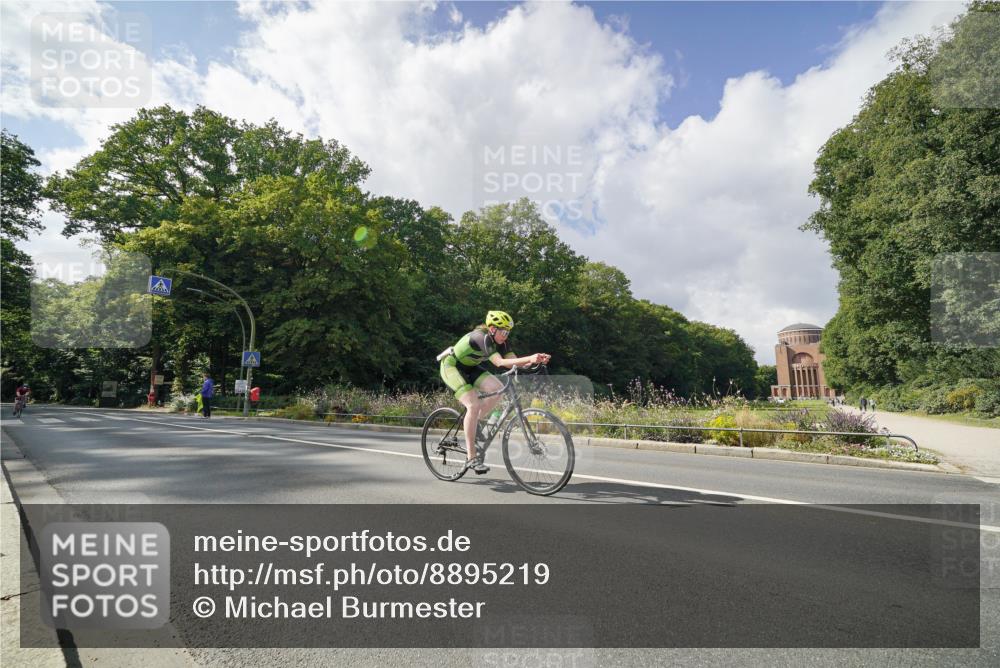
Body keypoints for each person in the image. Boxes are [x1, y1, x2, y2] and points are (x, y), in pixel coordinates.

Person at [438, 310, 550, 474]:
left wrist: (535, 361)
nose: (506, 335)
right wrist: (529, 358)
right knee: (473, 405)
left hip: (471, 368)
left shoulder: (502, 341)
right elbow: (499, 362)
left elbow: (513, 362)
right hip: (452, 367)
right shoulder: (480, 337)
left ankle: (474, 425)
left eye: (508, 332)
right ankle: (471, 458)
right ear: (492, 329)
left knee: (498, 390)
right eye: (504, 331)